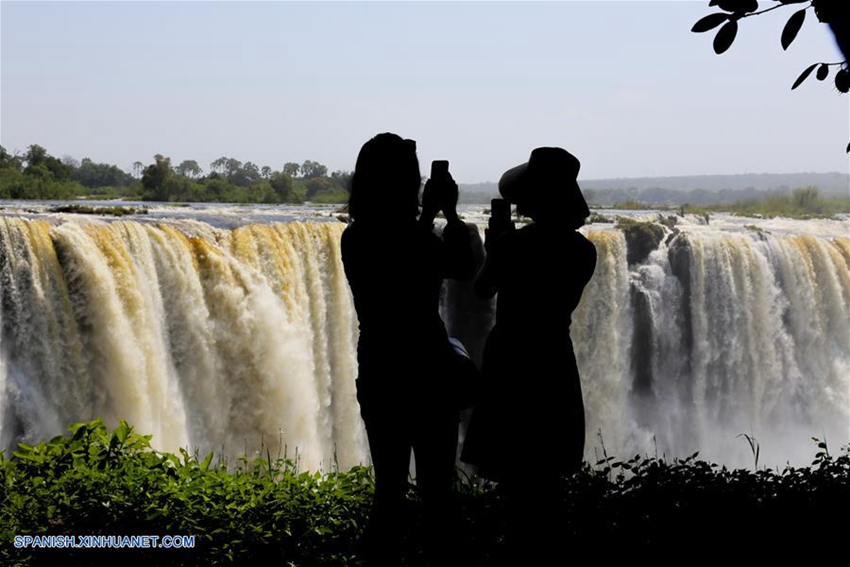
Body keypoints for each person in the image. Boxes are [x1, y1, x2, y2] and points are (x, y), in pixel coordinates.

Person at [340, 133, 475, 565]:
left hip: (381, 372)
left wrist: (435, 216)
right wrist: (448, 214)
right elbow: (465, 268)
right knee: (438, 494)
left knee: (389, 492)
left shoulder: (354, 238)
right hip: (429, 373)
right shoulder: (417, 240)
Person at [461, 146, 596, 563]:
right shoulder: (582, 250)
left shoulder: (515, 246)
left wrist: (494, 247)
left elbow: (482, 291)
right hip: (554, 357)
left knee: (513, 472)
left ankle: (517, 551)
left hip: (513, 360)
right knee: (547, 473)